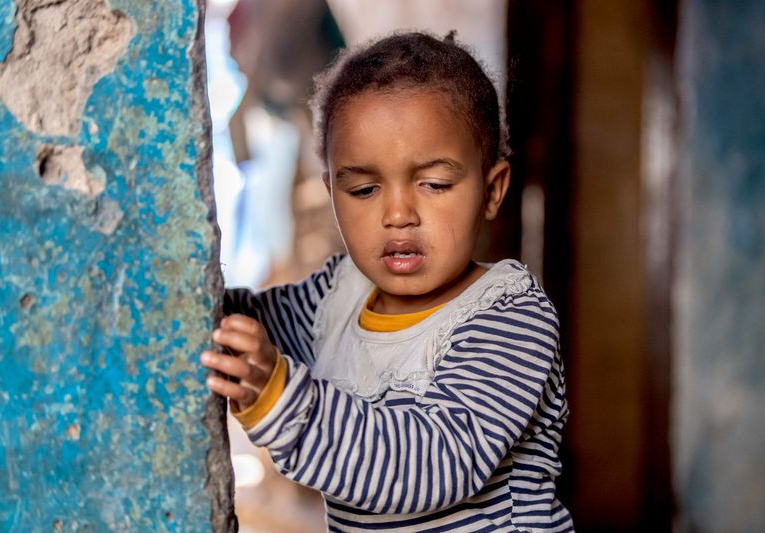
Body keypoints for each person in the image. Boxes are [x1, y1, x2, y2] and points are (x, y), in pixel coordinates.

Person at [201, 31, 574, 532]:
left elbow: (433, 462)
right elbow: (238, 321)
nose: (398, 214)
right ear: (332, 193)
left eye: (434, 184)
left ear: (491, 190)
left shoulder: (510, 318)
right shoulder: (336, 297)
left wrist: (282, 400)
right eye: (364, 188)